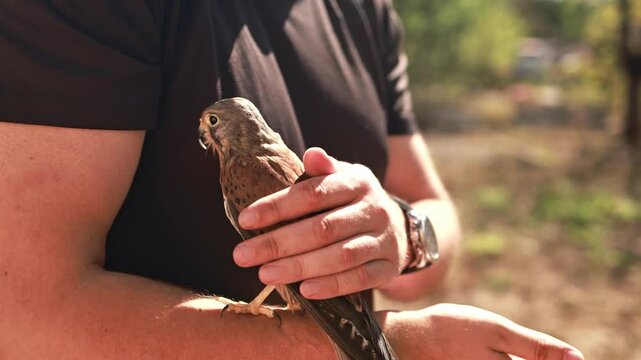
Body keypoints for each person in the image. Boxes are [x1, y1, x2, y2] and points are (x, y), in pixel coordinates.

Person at [0, 1, 582, 359]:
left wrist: (402, 233)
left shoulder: (365, 10)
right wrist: (390, 352)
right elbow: (21, 315)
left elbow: (431, 209)